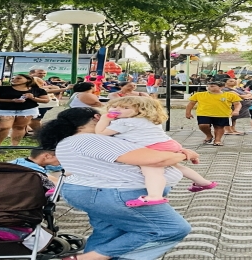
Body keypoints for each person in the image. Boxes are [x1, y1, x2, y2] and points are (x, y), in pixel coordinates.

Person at [37, 107, 194, 259]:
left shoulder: (68, 142)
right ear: (97, 118)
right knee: (171, 228)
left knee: (109, 232)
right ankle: (94, 257)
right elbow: (157, 159)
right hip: (115, 194)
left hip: (92, 192)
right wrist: (183, 154)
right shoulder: (93, 140)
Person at [97, 97, 217, 206]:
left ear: (141, 111)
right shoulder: (147, 120)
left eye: (125, 108)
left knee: (152, 172)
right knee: (175, 166)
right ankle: (203, 182)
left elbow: (100, 133)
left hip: (154, 148)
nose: (117, 110)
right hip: (168, 144)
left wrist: (104, 118)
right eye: (114, 106)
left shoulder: (124, 122)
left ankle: (154, 196)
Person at [0, 74, 49, 146]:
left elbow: (46, 100)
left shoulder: (37, 90)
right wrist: (11, 100)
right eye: (12, 78)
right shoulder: (1, 88)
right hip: (4, 109)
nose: (14, 79)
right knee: (4, 127)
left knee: (20, 127)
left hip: (27, 110)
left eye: (18, 78)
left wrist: (32, 98)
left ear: (28, 80)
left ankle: (14, 145)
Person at [185, 82, 241, 146]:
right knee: (203, 125)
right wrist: (188, 113)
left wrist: (236, 110)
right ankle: (209, 135)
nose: (209, 87)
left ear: (221, 87)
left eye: (212, 86)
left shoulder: (230, 95)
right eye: (208, 86)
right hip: (203, 113)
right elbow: (191, 104)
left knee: (219, 127)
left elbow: (237, 104)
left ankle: (217, 140)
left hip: (222, 114)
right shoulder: (199, 94)